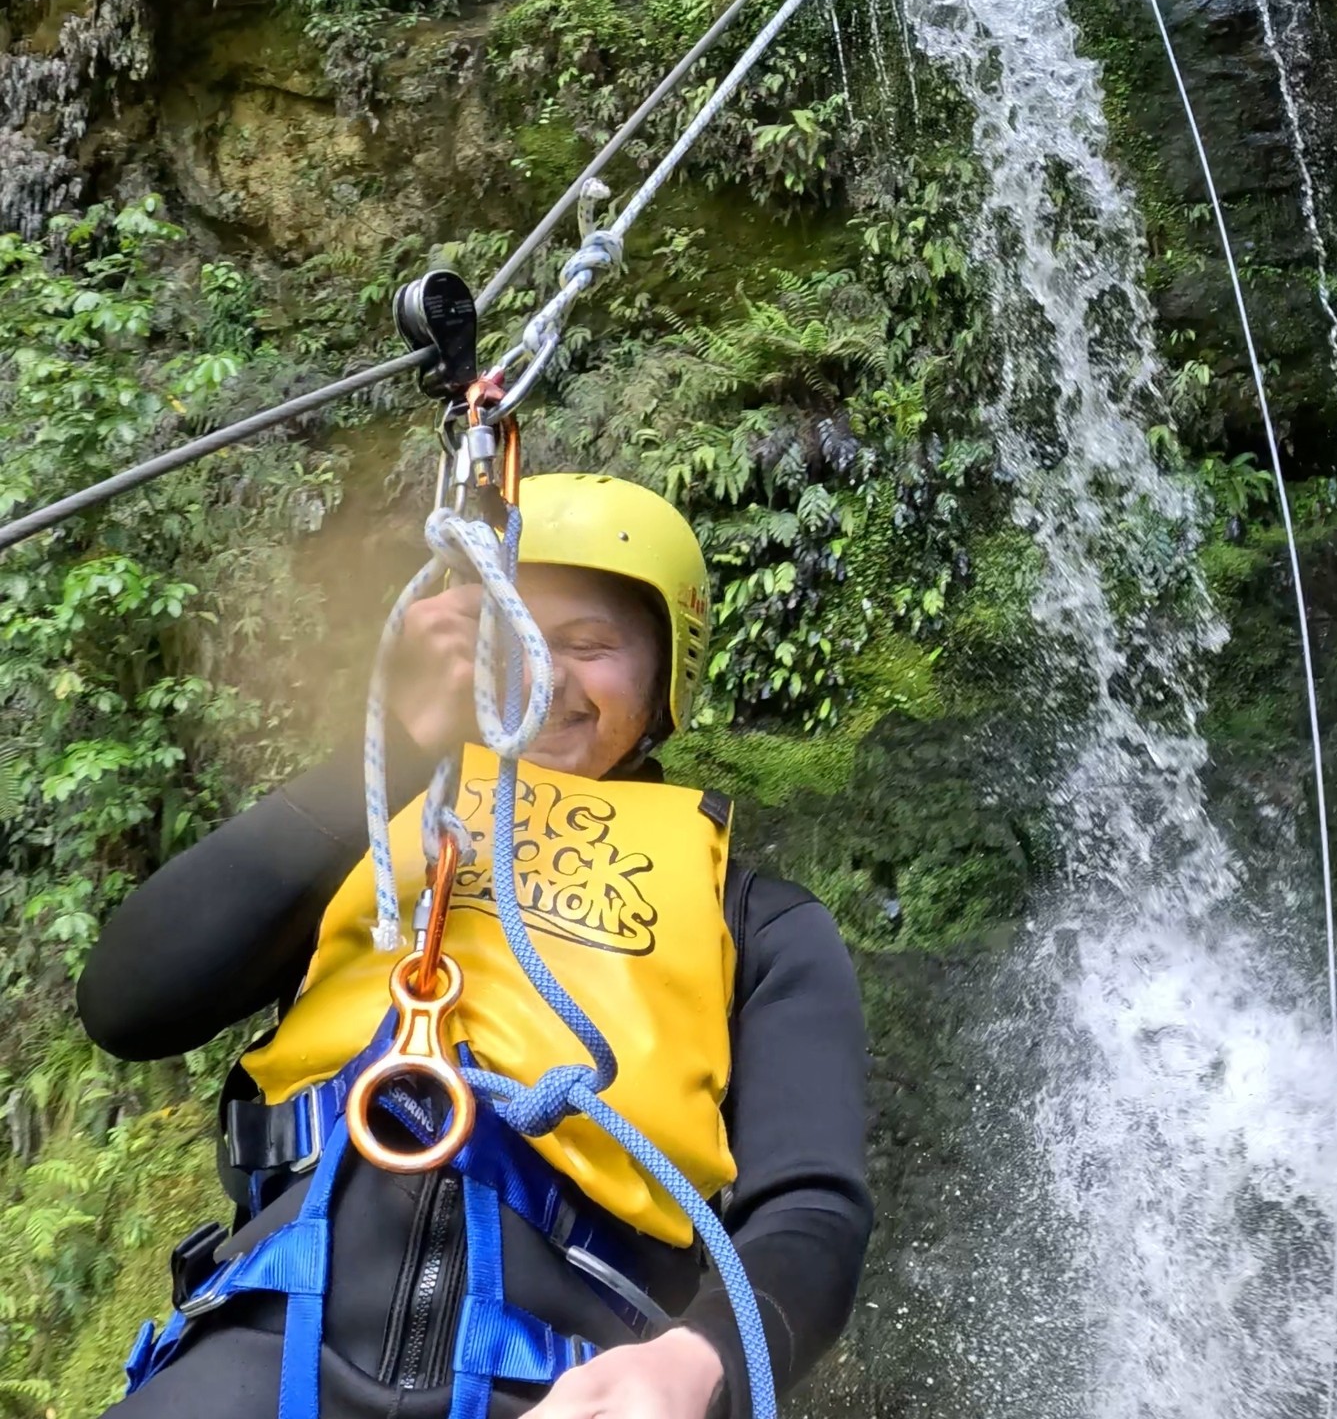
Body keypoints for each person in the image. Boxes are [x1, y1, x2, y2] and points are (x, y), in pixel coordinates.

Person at [77, 473, 872, 1419]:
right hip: (260, 1356)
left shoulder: (758, 922)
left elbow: (810, 1209)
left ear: (666, 679)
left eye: (589, 645)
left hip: (566, 1385)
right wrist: (396, 749)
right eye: (508, 635)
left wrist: (696, 1360)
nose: (543, 671)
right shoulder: (368, 839)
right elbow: (127, 1002)